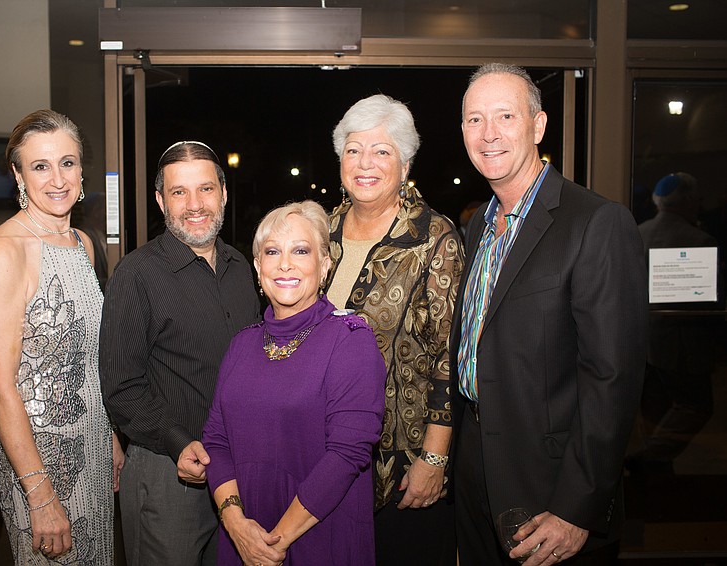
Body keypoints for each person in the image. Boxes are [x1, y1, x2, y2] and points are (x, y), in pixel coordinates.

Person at [451, 63, 648, 565]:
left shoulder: (597, 222)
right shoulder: (478, 228)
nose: (488, 134)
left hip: (550, 486)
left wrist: (577, 507)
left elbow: (612, 378)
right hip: (475, 468)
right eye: (475, 119)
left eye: (505, 116)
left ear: (538, 126)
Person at [0, 109, 124, 564]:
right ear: (18, 175)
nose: (58, 179)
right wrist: (39, 496)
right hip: (39, 459)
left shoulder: (83, 242)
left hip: (92, 441)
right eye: (40, 166)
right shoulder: (4, 251)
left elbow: (89, 358)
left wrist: (110, 437)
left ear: (81, 170)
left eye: (67, 162)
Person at [99, 141, 261, 566]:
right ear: (160, 200)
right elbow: (121, 387)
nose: (194, 205)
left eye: (205, 189)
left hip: (236, 473)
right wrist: (177, 440)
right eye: (179, 192)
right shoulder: (136, 274)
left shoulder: (241, 268)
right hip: (166, 476)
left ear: (223, 193)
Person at [202, 200, 386, 565]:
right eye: (272, 252)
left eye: (301, 251)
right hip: (242, 537)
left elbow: (347, 454)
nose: (285, 264)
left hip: (318, 535)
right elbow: (216, 441)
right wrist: (236, 525)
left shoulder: (351, 340)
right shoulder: (242, 343)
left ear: (325, 265)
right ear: (258, 267)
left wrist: (272, 544)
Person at [324, 93, 464, 565]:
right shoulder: (319, 232)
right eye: (354, 149)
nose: (365, 163)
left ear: (405, 165)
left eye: (381, 151)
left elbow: (450, 356)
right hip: (323, 457)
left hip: (402, 466)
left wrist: (434, 459)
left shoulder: (433, 238)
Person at [627, 172, 720, 474]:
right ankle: (651, 457)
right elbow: (708, 300)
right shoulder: (699, 240)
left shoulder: (638, 233)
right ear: (689, 201)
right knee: (695, 405)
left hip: (642, 340)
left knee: (654, 408)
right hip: (681, 341)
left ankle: (655, 468)